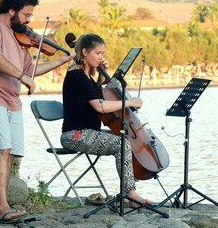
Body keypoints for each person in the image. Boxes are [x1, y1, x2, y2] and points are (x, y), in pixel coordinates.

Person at [0, 0, 75, 223]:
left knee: (11, 153)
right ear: (11, 10)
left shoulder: (21, 38)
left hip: (11, 99)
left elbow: (30, 70)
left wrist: (59, 61)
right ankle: (2, 207)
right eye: (27, 15)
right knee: (1, 149)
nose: (29, 21)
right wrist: (22, 77)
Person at [60, 33, 152, 208]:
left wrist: (101, 75)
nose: (101, 57)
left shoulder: (86, 77)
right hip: (75, 135)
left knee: (126, 136)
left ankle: (129, 191)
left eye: (102, 53)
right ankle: (130, 194)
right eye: (98, 53)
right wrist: (130, 102)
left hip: (88, 132)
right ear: (85, 52)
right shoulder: (76, 75)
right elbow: (100, 106)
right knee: (121, 144)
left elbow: (97, 93)